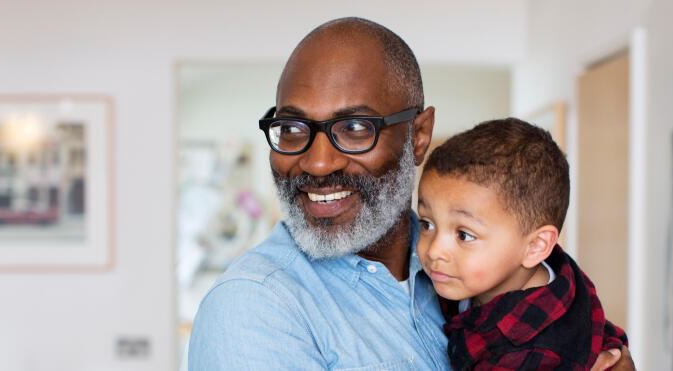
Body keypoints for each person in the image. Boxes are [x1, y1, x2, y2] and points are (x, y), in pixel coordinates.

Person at [186, 17, 633, 370]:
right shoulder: (253, 307)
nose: (317, 163)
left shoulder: (470, 268)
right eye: (292, 128)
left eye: (355, 128)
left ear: (418, 136)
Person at [416, 118, 627, 370]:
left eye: (464, 235)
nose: (433, 250)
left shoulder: (527, 355)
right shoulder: (549, 269)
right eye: (427, 224)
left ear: (537, 246)